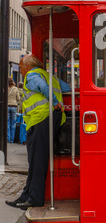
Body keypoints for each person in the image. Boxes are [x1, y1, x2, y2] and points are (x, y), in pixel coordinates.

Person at [6, 54, 70, 210]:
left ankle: (35, 198)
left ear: (28, 66)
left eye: (21, 67)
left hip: (42, 119)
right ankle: (26, 196)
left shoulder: (32, 75)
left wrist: (55, 103)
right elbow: (67, 88)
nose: (20, 70)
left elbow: (44, 88)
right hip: (51, 119)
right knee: (35, 160)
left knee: (37, 161)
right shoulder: (50, 76)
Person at [7, 77, 21, 143]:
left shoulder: (5, 88)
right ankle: (12, 140)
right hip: (14, 107)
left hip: (7, 107)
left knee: (7, 123)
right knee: (13, 123)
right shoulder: (15, 89)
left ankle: (8, 138)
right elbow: (18, 98)